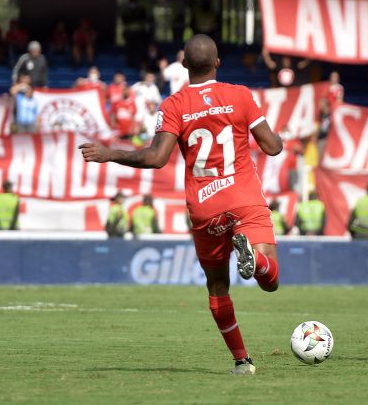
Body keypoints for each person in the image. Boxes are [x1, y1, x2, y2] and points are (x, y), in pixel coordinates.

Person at [80, 34, 286, 375]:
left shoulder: (174, 105)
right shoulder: (240, 96)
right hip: (244, 197)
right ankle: (258, 261)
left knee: (218, 287)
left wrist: (110, 153)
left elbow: (156, 158)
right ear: (218, 63)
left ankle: (241, 361)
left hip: (205, 207)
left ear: (184, 65)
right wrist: (270, 132)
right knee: (270, 281)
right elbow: (273, 147)